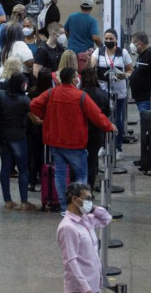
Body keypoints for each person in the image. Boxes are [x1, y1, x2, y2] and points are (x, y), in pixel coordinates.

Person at [30, 67, 117, 212]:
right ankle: (79, 207)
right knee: (81, 174)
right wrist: (109, 126)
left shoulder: (51, 93)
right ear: (73, 79)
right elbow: (97, 115)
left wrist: (45, 116)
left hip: (55, 141)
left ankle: (65, 208)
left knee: (60, 174)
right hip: (75, 143)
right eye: (76, 76)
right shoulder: (80, 96)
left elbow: (34, 105)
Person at [56, 182, 112, 293]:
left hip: (94, 284)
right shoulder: (68, 227)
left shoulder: (86, 219)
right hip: (81, 289)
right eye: (87, 199)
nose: (89, 203)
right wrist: (86, 289)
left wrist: (92, 209)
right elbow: (71, 262)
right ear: (75, 200)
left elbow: (106, 218)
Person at [0, 73, 38, 211]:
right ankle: (24, 202)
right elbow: (35, 120)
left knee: (5, 168)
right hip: (18, 137)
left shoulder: (1, 96)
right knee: (23, 169)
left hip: (3, 137)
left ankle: (7, 200)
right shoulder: (24, 100)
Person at [90, 29, 132, 160]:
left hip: (119, 90)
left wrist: (123, 75)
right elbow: (91, 66)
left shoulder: (123, 53)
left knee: (118, 119)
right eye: (106, 38)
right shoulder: (99, 51)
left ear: (116, 40)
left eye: (111, 39)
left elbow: (130, 70)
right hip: (103, 90)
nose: (108, 41)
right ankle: (102, 145)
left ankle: (118, 146)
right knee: (102, 118)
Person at [79, 68, 110, 191]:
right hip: (97, 132)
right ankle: (89, 188)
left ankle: (80, 186)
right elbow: (106, 113)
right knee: (93, 159)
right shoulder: (103, 94)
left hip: (82, 131)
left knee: (80, 159)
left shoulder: (80, 94)